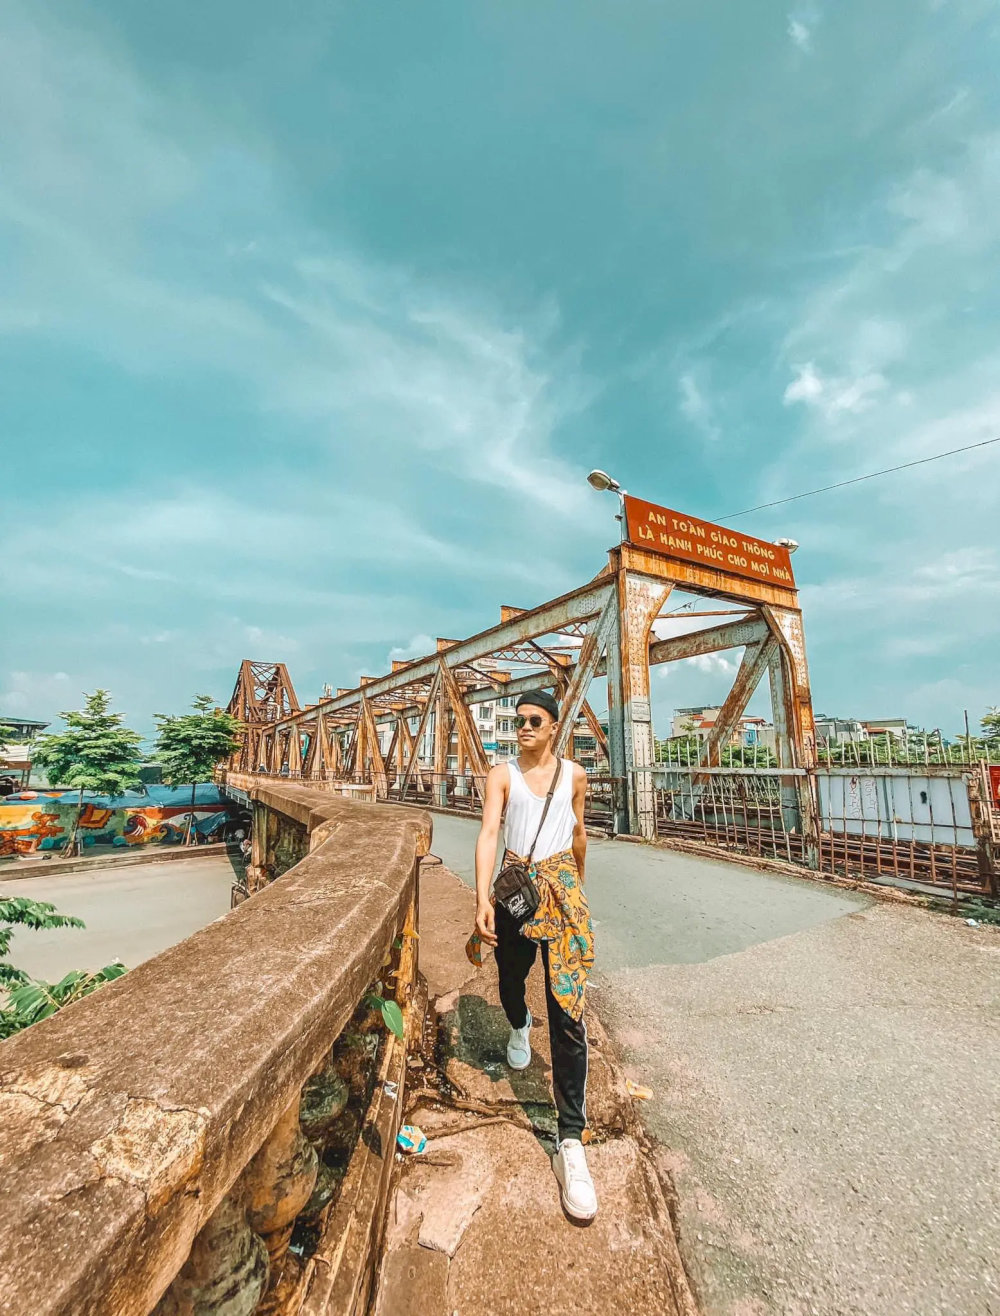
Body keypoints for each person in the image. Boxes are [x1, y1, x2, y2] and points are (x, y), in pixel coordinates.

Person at [473, 689, 597, 1221]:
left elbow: (579, 834)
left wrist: (579, 892)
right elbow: (489, 833)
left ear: (553, 729)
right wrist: (481, 897)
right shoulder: (501, 775)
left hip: (561, 893)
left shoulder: (576, 776)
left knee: (569, 1012)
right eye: (519, 720)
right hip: (516, 891)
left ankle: (571, 1138)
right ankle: (519, 1025)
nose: (523, 727)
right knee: (509, 981)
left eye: (533, 721)